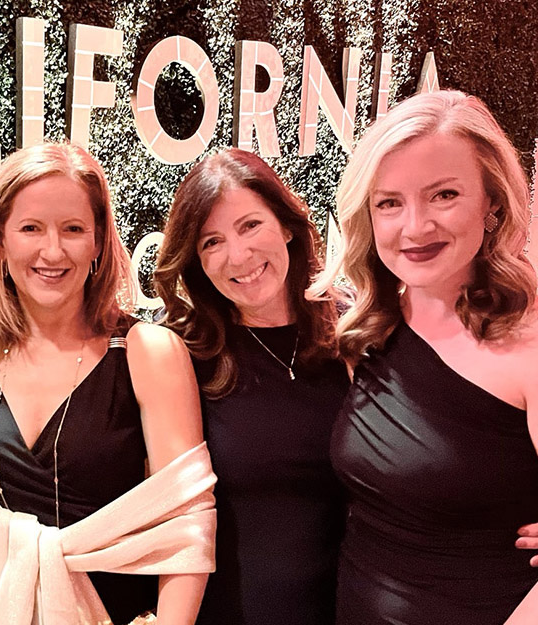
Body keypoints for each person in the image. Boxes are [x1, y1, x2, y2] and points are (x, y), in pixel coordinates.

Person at [0, 142, 217, 625]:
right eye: (31, 228)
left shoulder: (147, 353)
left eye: (73, 230)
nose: (53, 251)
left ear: (98, 242)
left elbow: (187, 522)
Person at [319, 89, 538, 623]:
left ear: (493, 203)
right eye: (389, 202)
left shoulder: (530, 342)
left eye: (443, 195)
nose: (415, 227)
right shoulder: (372, 326)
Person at [154, 148, 349, 625]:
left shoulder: (353, 327)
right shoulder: (179, 350)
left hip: (352, 606)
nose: (237, 256)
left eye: (250, 226)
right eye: (211, 242)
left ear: (286, 225)